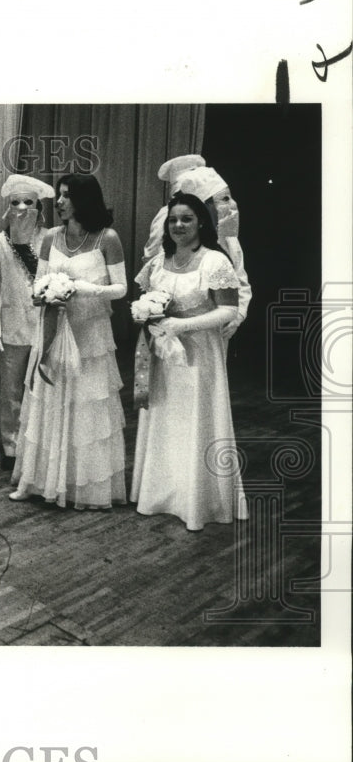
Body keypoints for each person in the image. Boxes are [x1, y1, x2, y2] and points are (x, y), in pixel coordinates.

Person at [9, 173, 126, 509]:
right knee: (47, 400)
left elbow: (121, 289)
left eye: (65, 196)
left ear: (83, 200)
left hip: (90, 333)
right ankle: (36, 480)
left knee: (86, 403)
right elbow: (38, 282)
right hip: (54, 328)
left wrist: (82, 289)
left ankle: (81, 485)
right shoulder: (50, 238)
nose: (58, 202)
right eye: (58, 196)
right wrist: (46, 294)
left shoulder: (108, 238)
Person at [131, 192, 248, 530]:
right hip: (164, 356)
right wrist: (148, 315)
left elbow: (229, 309)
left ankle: (195, 499)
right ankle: (161, 492)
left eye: (186, 219)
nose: (178, 225)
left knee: (196, 418)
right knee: (165, 418)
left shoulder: (216, 261)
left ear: (200, 223)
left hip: (199, 355)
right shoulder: (157, 262)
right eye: (173, 220)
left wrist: (183, 325)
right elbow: (144, 297)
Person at [0, 174, 55, 470]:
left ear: (39, 206)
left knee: (44, 388)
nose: (22, 208)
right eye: (16, 202)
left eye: (29, 202)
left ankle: (41, 445)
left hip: (45, 325)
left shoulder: (50, 238)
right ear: (7, 206)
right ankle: (12, 446)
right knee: (12, 391)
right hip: (10, 326)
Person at [142, 155, 251, 340]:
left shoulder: (228, 240)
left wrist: (238, 315)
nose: (232, 205)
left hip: (214, 331)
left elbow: (240, 280)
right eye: (224, 199)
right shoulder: (171, 239)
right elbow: (157, 276)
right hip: (172, 328)